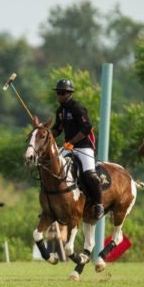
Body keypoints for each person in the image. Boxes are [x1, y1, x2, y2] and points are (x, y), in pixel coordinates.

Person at [51, 78, 104, 220]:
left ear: (69, 94)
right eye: (58, 93)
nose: (60, 95)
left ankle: (99, 204)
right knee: (52, 165)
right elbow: (57, 129)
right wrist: (44, 133)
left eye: (62, 93)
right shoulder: (60, 111)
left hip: (84, 147)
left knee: (89, 175)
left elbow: (87, 127)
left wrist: (72, 143)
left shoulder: (77, 108)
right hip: (69, 147)